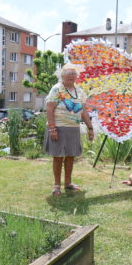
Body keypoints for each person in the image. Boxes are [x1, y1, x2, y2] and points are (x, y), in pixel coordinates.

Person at [44, 63, 94, 195]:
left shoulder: (80, 91)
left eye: (74, 74)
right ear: (62, 76)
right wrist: (52, 128)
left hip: (73, 128)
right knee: (58, 157)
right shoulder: (57, 89)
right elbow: (49, 109)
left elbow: (84, 112)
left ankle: (68, 183)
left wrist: (90, 127)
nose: (72, 76)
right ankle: (56, 186)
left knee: (71, 156)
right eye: (69, 74)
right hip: (59, 127)